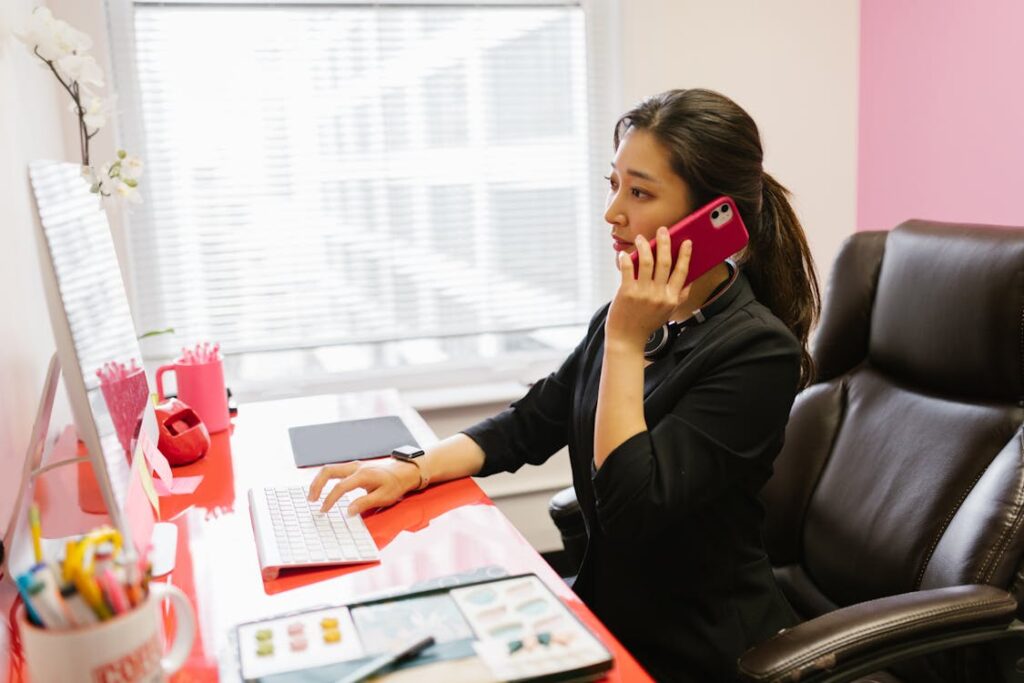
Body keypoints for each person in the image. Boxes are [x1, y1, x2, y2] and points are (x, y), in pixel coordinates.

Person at [308, 88, 821, 682]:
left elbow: (631, 507)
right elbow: (532, 422)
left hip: (699, 653)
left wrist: (628, 342)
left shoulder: (756, 352)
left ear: (713, 218)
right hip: (607, 620)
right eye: (614, 185)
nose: (613, 213)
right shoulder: (625, 319)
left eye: (640, 192)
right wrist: (413, 469)